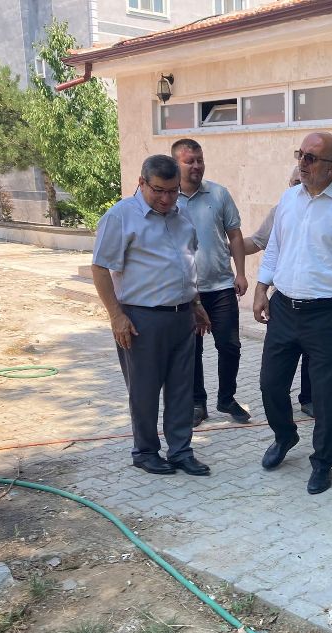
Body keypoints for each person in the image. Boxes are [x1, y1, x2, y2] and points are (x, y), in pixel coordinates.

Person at [253, 132, 332, 495]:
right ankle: (285, 435)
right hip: (283, 309)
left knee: (325, 396)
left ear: (331, 166)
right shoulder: (288, 200)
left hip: (327, 316)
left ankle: (322, 462)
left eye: (311, 158)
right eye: (301, 155)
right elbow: (275, 248)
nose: (302, 163)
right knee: (270, 384)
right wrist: (261, 288)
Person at [91, 154, 211, 477]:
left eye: (173, 191)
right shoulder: (120, 216)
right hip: (141, 320)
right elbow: (100, 268)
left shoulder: (181, 214)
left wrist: (196, 303)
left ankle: (181, 451)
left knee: (182, 389)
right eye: (159, 191)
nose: (166, 199)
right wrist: (116, 316)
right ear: (141, 182)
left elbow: (186, 263)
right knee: (144, 390)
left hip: (182, 317)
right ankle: (145, 451)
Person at [171, 138, 251, 427]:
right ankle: (197, 403)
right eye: (189, 161)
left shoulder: (218, 194)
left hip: (221, 287)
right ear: (175, 164)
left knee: (230, 346)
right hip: (185, 292)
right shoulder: (168, 198)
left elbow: (235, 235)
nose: (196, 166)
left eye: (200, 160)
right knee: (192, 350)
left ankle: (226, 398)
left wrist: (240, 273)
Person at [247, 167, 313, 418]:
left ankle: (310, 398)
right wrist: (227, 248)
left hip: (318, 304)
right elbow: (259, 242)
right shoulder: (282, 209)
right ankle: (283, 425)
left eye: (302, 180)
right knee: (273, 378)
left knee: (313, 357)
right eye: (294, 182)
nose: (299, 185)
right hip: (283, 303)